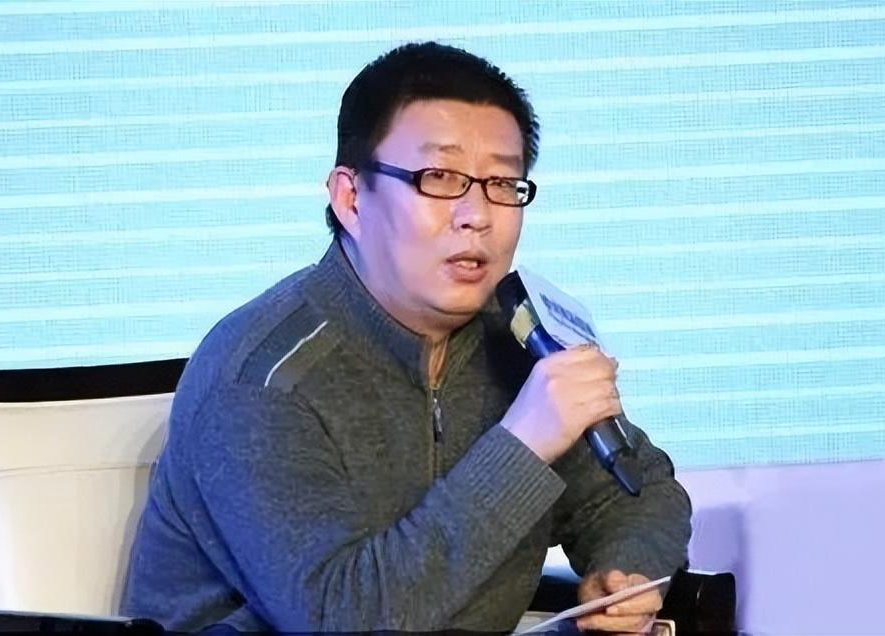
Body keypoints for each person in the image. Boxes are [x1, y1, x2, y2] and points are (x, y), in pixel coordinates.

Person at [121, 41, 691, 633]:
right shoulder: (259, 379)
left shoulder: (519, 339)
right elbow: (340, 618)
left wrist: (625, 573)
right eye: (439, 178)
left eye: (502, 183)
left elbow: (641, 492)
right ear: (351, 198)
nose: (477, 215)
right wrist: (523, 443)